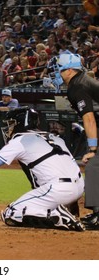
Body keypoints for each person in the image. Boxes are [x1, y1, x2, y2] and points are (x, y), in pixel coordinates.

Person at [0, 107, 85, 231]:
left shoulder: (20, 140)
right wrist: (74, 211)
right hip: (79, 188)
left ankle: (57, 215)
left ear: (21, 123)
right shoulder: (54, 137)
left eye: (12, 124)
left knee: (11, 213)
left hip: (57, 189)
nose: (9, 128)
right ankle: (65, 215)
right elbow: (71, 170)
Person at [48, 52, 99, 230]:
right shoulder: (82, 81)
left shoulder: (76, 86)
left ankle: (98, 216)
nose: (56, 73)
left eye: (59, 70)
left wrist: (92, 148)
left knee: (94, 165)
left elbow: (89, 118)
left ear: (69, 70)